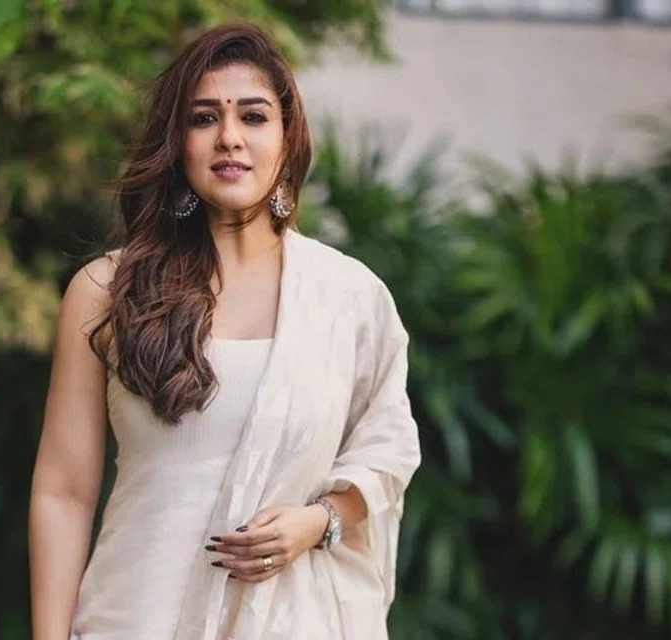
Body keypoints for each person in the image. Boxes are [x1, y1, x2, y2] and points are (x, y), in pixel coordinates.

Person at [29, 23, 420, 640]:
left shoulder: (349, 298)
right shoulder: (108, 290)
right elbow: (64, 490)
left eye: (254, 117)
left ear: (287, 137)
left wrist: (317, 522)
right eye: (204, 118)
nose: (230, 137)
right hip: (133, 617)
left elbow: (386, 455)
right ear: (177, 143)